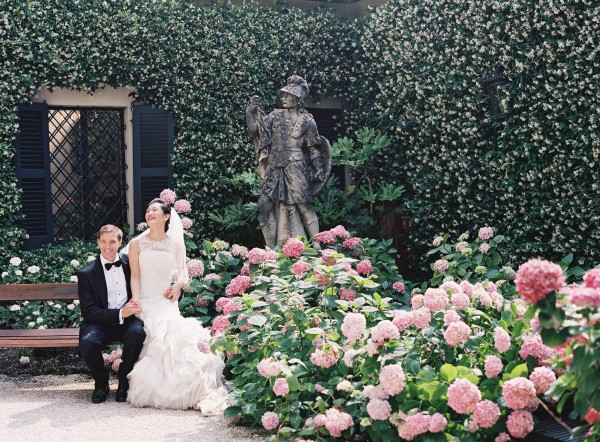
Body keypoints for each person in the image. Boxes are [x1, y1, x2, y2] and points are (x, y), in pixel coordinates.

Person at [125, 198, 227, 413]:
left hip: (166, 301)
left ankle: (191, 384)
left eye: (155, 210)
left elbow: (183, 273)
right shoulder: (136, 244)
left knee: (177, 333)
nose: (150, 213)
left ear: (166, 216)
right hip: (145, 301)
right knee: (159, 333)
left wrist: (178, 286)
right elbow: (134, 275)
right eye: (148, 210)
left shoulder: (175, 243)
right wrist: (135, 299)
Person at [246, 74, 331, 248]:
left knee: (303, 206)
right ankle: (270, 250)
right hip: (274, 166)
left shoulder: (307, 120)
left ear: (298, 99)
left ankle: (317, 247)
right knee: (264, 205)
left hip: (296, 166)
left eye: (288, 96)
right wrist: (250, 112)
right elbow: (256, 130)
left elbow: (313, 148)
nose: (284, 98)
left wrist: (318, 168)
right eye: (284, 95)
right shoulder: (275, 116)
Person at [77, 224, 146, 404]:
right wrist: (120, 312)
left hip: (128, 321)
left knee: (137, 334)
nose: (108, 246)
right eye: (104, 242)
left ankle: (124, 380)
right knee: (87, 343)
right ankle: (101, 383)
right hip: (99, 323)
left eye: (113, 242)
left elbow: (143, 283)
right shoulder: (86, 273)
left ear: (120, 242)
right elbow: (89, 312)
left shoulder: (130, 264)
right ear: (98, 242)